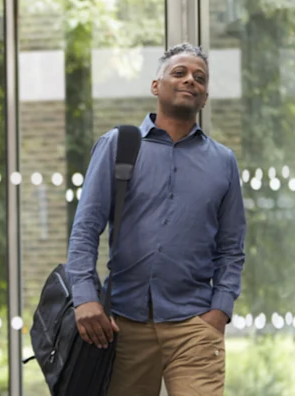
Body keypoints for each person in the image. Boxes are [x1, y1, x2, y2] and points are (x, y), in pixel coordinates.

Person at [65, 43, 246, 396]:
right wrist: (84, 297)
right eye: (179, 73)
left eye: (200, 78)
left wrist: (219, 312)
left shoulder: (224, 161)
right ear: (156, 86)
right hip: (122, 324)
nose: (190, 80)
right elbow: (86, 228)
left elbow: (231, 246)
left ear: (205, 97)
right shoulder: (119, 145)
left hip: (196, 326)